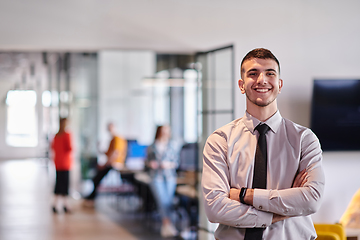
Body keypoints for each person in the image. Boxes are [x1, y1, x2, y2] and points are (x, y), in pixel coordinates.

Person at [201, 48, 325, 240]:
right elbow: (215, 209)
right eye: (253, 73)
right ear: (241, 85)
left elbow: (312, 201)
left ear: (279, 84)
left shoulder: (304, 140)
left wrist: (243, 195)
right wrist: (284, 208)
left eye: (270, 73)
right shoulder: (220, 140)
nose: (262, 80)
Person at [146, 125, 180, 238]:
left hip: (169, 176)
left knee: (168, 202)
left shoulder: (173, 145)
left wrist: (168, 165)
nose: (165, 133)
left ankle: (166, 226)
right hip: (156, 177)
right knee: (161, 200)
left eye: (167, 130)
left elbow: (176, 162)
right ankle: (167, 224)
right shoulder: (152, 146)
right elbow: (147, 161)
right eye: (163, 130)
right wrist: (151, 164)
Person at [83, 122, 127, 206]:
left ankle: (92, 197)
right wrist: (99, 148)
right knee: (96, 176)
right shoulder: (112, 140)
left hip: (115, 164)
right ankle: (91, 196)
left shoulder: (118, 138)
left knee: (98, 177)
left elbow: (115, 154)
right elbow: (108, 154)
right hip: (110, 163)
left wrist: (104, 164)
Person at [51, 117, 73, 213]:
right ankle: (65, 205)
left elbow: (53, 147)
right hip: (65, 163)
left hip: (58, 163)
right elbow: (69, 148)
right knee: (64, 185)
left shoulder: (56, 136)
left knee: (59, 184)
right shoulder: (67, 135)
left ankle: (57, 204)